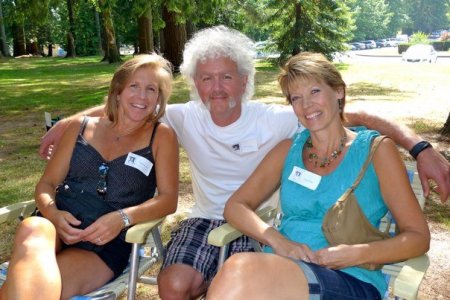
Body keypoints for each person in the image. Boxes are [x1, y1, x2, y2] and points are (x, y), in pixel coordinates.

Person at [38, 26, 448, 299]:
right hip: (243, 236)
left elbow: (360, 119)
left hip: (324, 264)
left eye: (227, 77)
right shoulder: (189, 118)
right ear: (195, 83)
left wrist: (420, 148)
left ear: (246, 81)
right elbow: (131, 103)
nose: (216, 88)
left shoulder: (283, 123)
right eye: (206, 77)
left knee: (238, 275)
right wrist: (71, 124)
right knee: (182, 282)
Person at [207, 52, 431, 300]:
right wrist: (278, 240)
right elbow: (235, 206)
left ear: (338, 92)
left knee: (240, 270)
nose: (306, 106)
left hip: (349, 277)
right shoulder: (287, 150)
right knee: (240, 274)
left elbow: (418, 238)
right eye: (296, 98)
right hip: (277, 268)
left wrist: (357, 253)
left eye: (314, 92)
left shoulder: (376, 151)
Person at [0, 54, 179, 300]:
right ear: (118, 91)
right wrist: (52, 213)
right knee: (32, 228)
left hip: (105, 240)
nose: (142, 96)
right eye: (134, 86)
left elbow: (169, 200)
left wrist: (122, 218)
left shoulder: (161, 136)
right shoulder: (81, 128)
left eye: (152, 89)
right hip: (55, 223)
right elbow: (47, 184)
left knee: (32, 289)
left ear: (159, 98)